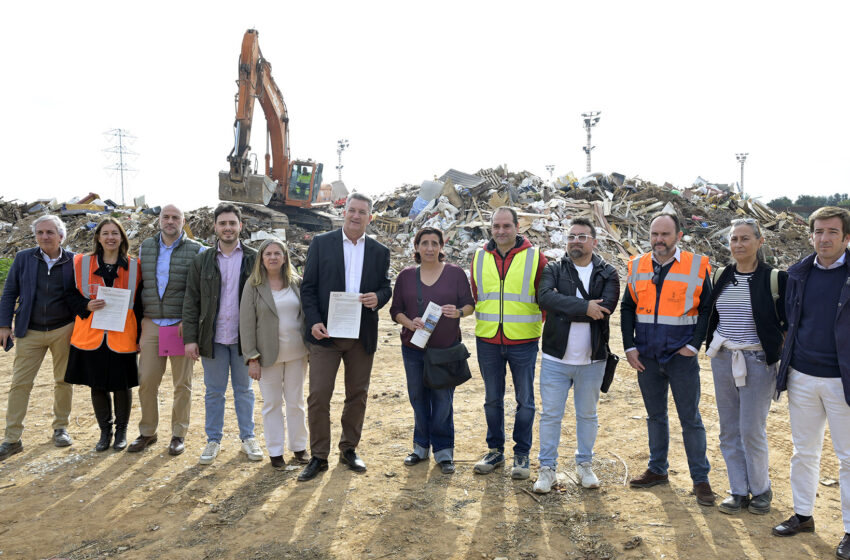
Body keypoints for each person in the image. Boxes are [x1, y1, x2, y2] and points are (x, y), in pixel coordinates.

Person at [621, 212, 715, 506]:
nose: (659, 240)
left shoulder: (696, 266)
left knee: (690, 419)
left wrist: (694, 345)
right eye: (654, 234)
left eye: (665, 234)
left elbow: (707, 309)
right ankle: (657, 469)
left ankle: (700, 479)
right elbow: (627, 307)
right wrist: (629, 346)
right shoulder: (637, 265)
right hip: (646, 356)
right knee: (655, 416)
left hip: (680, 356)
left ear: (678, 236)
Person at [772, 207, 850, 560]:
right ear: (811, 235)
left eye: (832, 232)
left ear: (846, 237)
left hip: (842, 381)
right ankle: (803, 515)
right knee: (804, 452)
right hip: (802, 376)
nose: (824, 238)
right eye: (818, 231)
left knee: (848, 458)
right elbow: (790, 321)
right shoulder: (797, 274)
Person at [297, 192, 392, 481]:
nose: (355, 216)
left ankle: (348, 448)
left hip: (361, 335)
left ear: (370, 217)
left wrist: (378, 298)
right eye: (352, 210)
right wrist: (314, 321)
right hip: (325, 334)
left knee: (357, 394)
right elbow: (308, 287)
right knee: (318, 395)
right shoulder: (321, 243)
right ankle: (318, 455)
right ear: (344, 212)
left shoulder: (379, 251)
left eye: (362, 212)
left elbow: (386, 287)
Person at [704, 218, 787, 514]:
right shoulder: (720, 275)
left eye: (745, 238)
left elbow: (786, 324)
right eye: (734, 239)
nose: (738, 244)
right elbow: (711, 315)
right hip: (724, 359)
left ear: (759, 241)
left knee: (751, 429)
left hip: (758, 362)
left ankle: (761, 489)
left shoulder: (775, 278)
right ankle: (738, 490)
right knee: (728, 430)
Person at [533, 218, 619, 493]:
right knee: (550, 415)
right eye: (571, 237)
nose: (575, 241)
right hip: (555, 359)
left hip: (593, 359)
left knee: (588, 415)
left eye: (582, 236)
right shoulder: (554, 269)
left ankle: (584, 464)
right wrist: (584, 307)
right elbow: (545, 298)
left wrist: (564, 306)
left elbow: (606, 308)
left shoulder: (608, 273)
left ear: (594, 241)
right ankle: (547, 469)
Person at [390, 227, 475, 475]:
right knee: (418, 398)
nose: (429, 248)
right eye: (424, 243)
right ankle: (420, 447)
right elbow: (395, 311)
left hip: (445, 350)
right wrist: (410, 323)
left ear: (441, 247)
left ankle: (444, 451)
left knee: (442, 401)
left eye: (434, 243)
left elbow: (470, 305)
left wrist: (458, 312)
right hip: (413, 349)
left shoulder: (455, 274)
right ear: (416, 247)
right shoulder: (406, 276)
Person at [471, 206, 547, 479]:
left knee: (525, 400)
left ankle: (522, 454)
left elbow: (545, 298)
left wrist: (533, 326)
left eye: (506, 226)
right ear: (491, 228)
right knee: (492, 399)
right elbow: (476, 294)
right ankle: (495, 450)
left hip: (523, 341)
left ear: (517, 227)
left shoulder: (535, 257)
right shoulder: (479, 257)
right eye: (496, 226)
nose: (501, 231)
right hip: (488, 339)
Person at [182, 204, 262, 465]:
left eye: (232, 223)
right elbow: (191, 301)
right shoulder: (202, 260)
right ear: (215, 227)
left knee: (244, 391)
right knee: (214, 392)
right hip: (213, 338)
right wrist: (190, 339)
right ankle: (213, 440)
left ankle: (248, 437)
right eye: (223, 223)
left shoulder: (254, 259)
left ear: (240, 226)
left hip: (243, 340)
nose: (228, 228)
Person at [128, 205, 203, 455]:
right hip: (152, 324)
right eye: (166, 217)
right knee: (147, 381)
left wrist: (190, 321)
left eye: (175, 218)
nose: (170, 221)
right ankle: (148, 432)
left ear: (183, 221)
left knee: (182, 384)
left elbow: (200, 290)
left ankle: (178, 434)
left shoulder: (197, 250)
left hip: (180, 325)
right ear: (159, 220)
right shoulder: (146, 247)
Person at [0, 215, 76, 460]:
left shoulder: (74, 260)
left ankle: (60, 428)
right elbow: (9, 292)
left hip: (64, 329)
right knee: (20, 384)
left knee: (63, 381)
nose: (44, 236)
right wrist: (4, 325)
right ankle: (12, 438)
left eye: (50, 232)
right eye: (40, 232)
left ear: (61, 236)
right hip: (29, 331)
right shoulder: (24, 258)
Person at [64, 218, 143, 452]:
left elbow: (140, 304)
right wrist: (85, 305)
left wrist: (140, 335)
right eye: (106, 233)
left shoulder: (136, 266)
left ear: (122, 238)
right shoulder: (80, 262)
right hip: (91, 335)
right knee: (97, 385)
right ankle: (104, 432)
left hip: (123, 335)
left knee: (122, 385)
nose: (110, 237)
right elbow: (69, 294)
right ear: (98, 237)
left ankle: (121, 432)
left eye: (115, 233)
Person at [240, 238, 309, 470]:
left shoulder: (296, 282)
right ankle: (276, 451)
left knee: (296, 402)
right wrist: (252, 358)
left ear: (285, 257)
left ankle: (299, 447)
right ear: (261, 258)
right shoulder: (253, 286)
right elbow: (246, 325)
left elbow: (305, 315)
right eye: (268, 254)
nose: (272, 257)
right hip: (267, 356)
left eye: (277, 253)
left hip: (297, 353)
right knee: (272, 404)